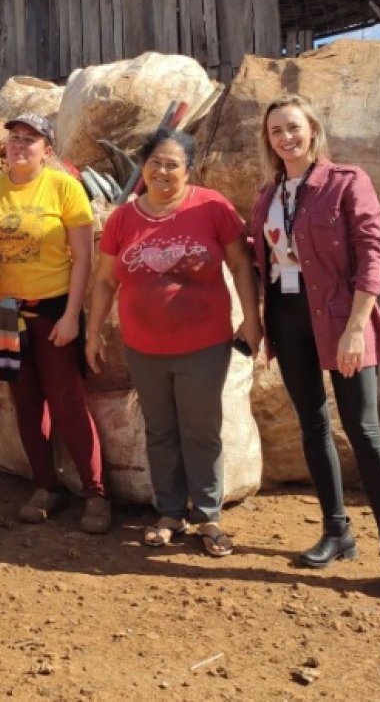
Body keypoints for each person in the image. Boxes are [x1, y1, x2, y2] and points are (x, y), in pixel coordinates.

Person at [249, 94, 380, 606]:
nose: (285, 137)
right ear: (268, 140)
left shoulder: (347, 182)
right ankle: (337, 532)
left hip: (339, 317)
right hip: (288, 319)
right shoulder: (267, 196)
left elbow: (372, 254)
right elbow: (261, 259)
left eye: (293, 127)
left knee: (364, 430)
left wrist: (356, 328)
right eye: (276, 131)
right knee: (312, 424)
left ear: (312, 129)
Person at [87, 128, 261, 555]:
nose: (162, 172)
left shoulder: (212, 206)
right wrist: (93, 331)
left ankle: (207, 515)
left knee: (201, 428)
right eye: (155, 163)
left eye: (172, 164)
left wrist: (252, 319)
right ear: (143, 166)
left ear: (188, 170)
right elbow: (106, 280)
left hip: (204, 343)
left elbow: (241, 265)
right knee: (160, 430)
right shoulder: (122, 219)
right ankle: (169, 512)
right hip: (143, 346)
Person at [0, 114, 112, 535]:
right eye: (14, 138)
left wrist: (72, 316)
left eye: (30, 139)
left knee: (67, 400)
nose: (20, 145)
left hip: (53, 311)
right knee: (25, 400)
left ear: (47, 150)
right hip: (4, 314)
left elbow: (83, 259)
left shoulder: (64, 187)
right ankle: (45, 486)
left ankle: (95, 492)